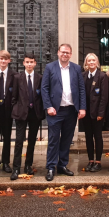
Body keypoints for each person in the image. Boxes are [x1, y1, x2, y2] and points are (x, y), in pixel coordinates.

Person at [41, 44, 86, 181]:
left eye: (67, 52)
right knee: (54, 140)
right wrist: (48, 106)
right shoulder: (50, 67)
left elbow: (81, 89)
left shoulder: (77, 68)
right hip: (55, 110)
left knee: (67, 139)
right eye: (62, 52)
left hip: (71, 110)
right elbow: (44, 88)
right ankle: (50, 167)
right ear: (58, 53)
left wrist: (82, 107)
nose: (65, 54)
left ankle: (62, 165)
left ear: (71, 54)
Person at [10, 54, 45, 180]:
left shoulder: (39, 78)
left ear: (35, 63)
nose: (29, 64)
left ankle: (28, 165)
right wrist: (16, 108)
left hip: (35, 113)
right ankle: (16, 168)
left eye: (31, 62)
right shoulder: (17, 77)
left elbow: (41, 96)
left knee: (32, 141)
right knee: (19, 141)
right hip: (21, 113)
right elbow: (13, 96)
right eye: (27, 62)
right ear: (23, 63)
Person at [82, 53, 108, 172]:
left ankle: (98, 162)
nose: (91, 62)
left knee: (98, 137)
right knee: (88, 137)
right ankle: (90, 160)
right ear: (86, 63)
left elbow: (104, 97)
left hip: (97, 113)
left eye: (93, 60)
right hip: (85, 112)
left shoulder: (102, 76)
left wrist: (101, 113)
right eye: (89, 60)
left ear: (97, 62)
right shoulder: (83, 76)